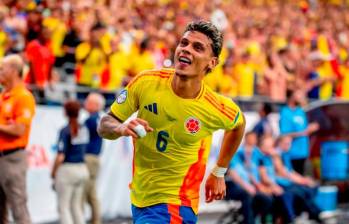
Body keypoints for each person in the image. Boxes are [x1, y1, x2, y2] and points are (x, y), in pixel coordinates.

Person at [97, 21, 246, 223]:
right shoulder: (146, 82)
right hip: (141, 199)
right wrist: (121, 127)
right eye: (184, 43)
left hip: (176, 204)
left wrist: (219, 171)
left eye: (198, 47)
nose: (186, 49)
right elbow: (105, 125)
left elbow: (238, 125)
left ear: (212, 63)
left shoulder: (214, 107)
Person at [0, 54, 35, 224]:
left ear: (14, 71)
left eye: (2, 69)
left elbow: (19, 129)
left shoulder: (23, 96)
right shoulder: (4, 96)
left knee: (18, 207)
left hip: (12, 157)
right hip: (3, 157)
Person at [51, 100, 89, 224]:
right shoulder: (83, 128)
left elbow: (60, 156)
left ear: (66, 113)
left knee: (63, 207)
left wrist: (53, 171)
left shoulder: (65, 130)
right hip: (82, 168)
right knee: (76, 206)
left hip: (68, 169)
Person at [279, 90, 319, 175]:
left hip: (303, 152)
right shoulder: (285, 112)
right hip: (292, 152)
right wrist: (305, 132)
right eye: (298, 94)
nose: (301, 96)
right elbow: (285, 134)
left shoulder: (300, 111)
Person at [83, 92, 105, 224]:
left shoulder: (90, 120)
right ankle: (95, 220)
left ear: (96, 105)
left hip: (89, 158)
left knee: (86, 192)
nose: (85, 103)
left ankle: (95, 220)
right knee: (91, 193)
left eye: (88, 101)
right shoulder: (98, 119)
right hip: (94, 158)